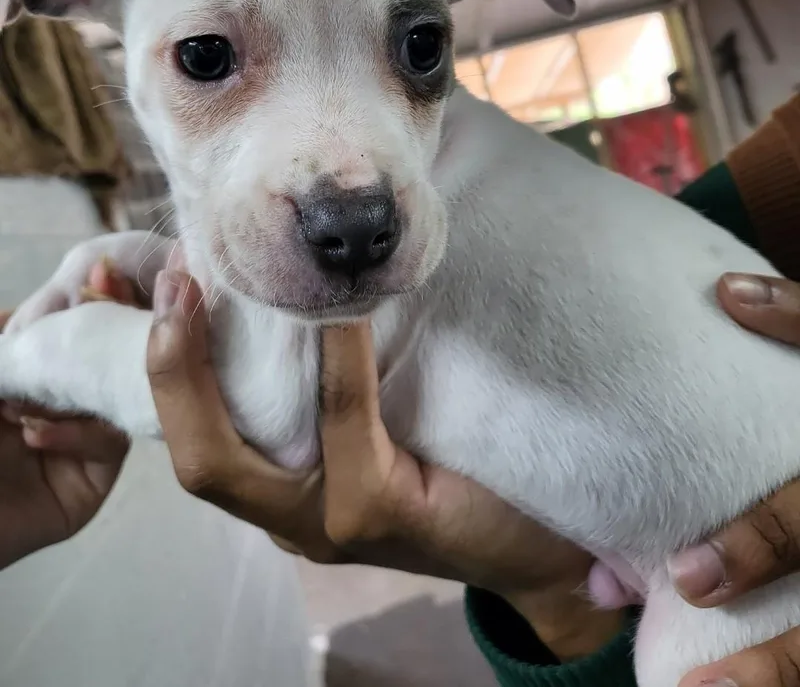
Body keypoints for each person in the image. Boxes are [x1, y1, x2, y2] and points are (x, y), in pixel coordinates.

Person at [2, 91, 800, 687]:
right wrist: (554, 593)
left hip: (710, 581)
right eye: (208, 62)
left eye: (416, 49)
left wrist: (39, 356)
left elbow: (277, 404)